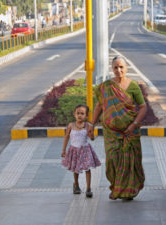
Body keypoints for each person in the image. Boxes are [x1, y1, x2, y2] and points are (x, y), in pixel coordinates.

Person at [87, 56, 147, 201]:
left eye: (121, 67)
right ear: (112, 69)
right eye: (115, 67)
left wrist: (133, 125)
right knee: (113, 160)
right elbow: (100, 106)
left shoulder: (133, 86)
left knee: (130, 162)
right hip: (111, 133)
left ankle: (127, 192)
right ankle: (116, 186)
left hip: (130, 133)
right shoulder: (106, 86)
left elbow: (143, 107)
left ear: (126, 68)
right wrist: (91, 124)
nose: (118, 70)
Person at [61, 104, 101, 198]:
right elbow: (66, 137)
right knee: (76, 169)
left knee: (87, 169)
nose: (79, 115)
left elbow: (92, 138)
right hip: (74, 150)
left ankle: (88, 188)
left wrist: (91, 135)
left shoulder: (87, 126)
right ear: (74, 114)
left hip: (85, 150)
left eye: (82, 113)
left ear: (86, 116)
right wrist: (63, 150)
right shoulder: (71, 125)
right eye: (78, 113)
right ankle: (76, 184)